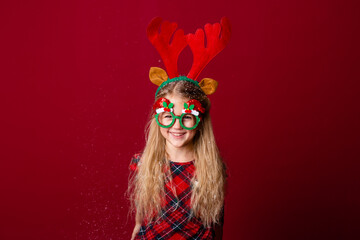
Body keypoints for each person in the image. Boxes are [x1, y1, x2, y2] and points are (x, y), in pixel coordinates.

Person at [128, 17, 231, 240]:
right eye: (168, 116)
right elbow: (141, 216)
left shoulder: (213, 168)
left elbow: (217, 223)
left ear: (200, 120)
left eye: (186, 118)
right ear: (158, 118)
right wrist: (136, 228)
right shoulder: (143, 163)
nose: (176, 125)